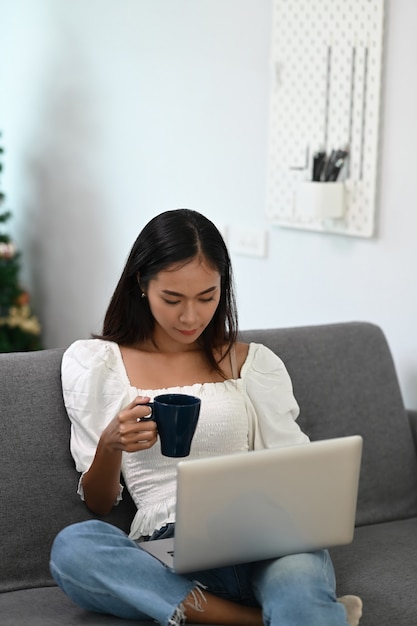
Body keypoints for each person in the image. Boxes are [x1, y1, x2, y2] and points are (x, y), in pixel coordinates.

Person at [50, 209, 362, 626]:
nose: (191, 317)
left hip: (266, 542)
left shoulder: (253, 364)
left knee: (297, 574)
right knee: (74, 549)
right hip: (167, 552)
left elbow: (298, 475)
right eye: (173, 299)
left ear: (223, 288)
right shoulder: (97, 364)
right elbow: (99, 503)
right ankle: (258, 619)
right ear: (141, 285)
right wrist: (110, 443)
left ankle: (268, 609)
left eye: (207, 297)